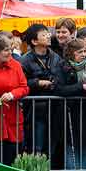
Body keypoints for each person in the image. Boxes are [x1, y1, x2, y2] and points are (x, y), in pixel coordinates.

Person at [19, 23, 64, 159]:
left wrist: (56, 82)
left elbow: (62, 76)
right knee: (36, 148)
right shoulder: (25, 60)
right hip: (35, 110)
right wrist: (37, 83)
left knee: (52, 146)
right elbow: (21, 82)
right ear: (34, 41)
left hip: (55, 108)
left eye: (48, 33)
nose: (48, 36)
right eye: (44, 35)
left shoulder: (56, 57)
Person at [58, 38, 86, 171]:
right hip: (70, 112)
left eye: (85, 51)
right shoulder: (63, 66)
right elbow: (60, 89)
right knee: (71, 147)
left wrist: (76, 90)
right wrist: (80, 87)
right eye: (79, 52)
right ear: (71, 53)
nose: (83, 54)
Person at [0, 33, 28, 165]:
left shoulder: (16, 65)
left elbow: (24, 87)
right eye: (6, 50)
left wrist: (12, 94)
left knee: (12, 160)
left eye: (11, 49)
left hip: (12, 122)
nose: (10, 52)